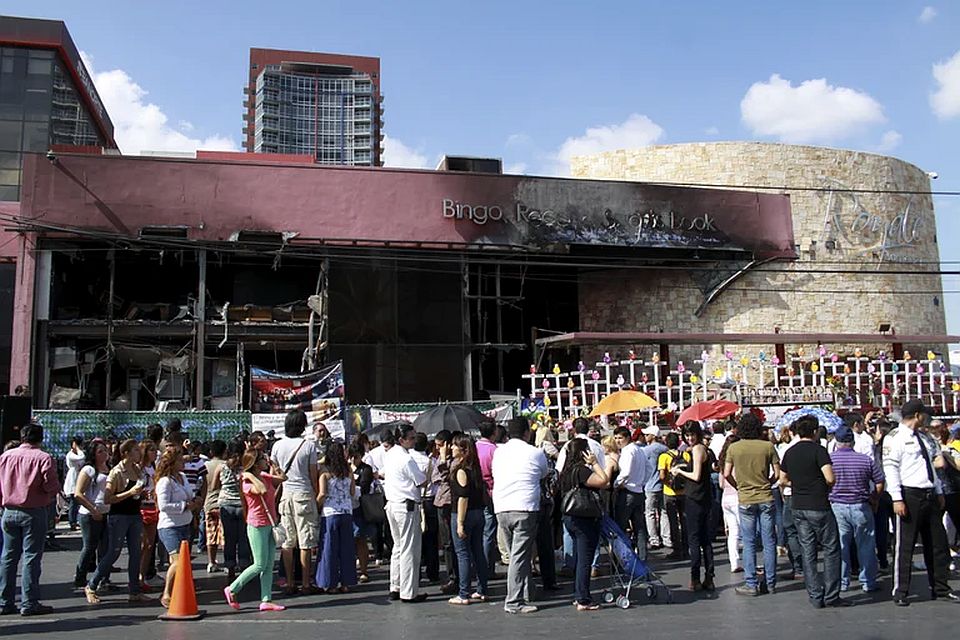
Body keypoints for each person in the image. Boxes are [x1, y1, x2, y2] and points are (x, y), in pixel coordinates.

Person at [883, 400, 957, 605]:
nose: (927, 417)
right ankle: (901, 591)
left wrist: (939, 490)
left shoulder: (924, 438)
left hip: (929, 493)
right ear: (917, 415)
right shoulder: (895, 438)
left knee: (938, 544)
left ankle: (941, 587)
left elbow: (933, 466)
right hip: (909, 493)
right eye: (924, 414)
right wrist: (897, 498)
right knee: (905, 546)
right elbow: (891, 468)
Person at [781, 416, 849, 609]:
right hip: (819, 504)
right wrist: (817, 483)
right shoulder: (819, 451)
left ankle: (815, 595)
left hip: (798, 505)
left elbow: (782, 479)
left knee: (807, 550)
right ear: (814, 432)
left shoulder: (790, 452)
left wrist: (799, 484)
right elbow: (830, 478)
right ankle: (831, 594)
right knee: (830, 548)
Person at [0, 424, 60, 616]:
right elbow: (52, 486)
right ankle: (29, 602)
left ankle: (4, 601)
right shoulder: (43, 458)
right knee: (31, 557)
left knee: (8, 557)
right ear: (40, 438)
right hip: (33, 510)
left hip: (9, 510)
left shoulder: (5, 457)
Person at [491, 417, 549, 614]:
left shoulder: (499, 452)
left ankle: (526, 591)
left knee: (515, 556)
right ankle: (514, 601)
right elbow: (544, 473)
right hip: (524, 507)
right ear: (527, 433)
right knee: (519, 557)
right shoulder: (535, 452)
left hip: (501, 506)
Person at [84, 439, 150, 604]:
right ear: (125, 453)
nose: (138, 453)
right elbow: (108, 498)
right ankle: (92, 585)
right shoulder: (116, 472)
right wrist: (129, 493)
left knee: (136, 552)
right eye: (135, 450)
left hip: (134, 514)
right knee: (113, 552)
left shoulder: (137, 470)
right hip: (119, 516)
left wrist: (140, 495)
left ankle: (134, 590)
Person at [223, 450, 286, 612]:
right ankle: (232, 588)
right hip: (256, 525)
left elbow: (283, 478)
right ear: (255, 463)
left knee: (269, 564)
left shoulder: (265, 476)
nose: (266, 461)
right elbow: (261, 491)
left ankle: (266, 599)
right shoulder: (247, 482)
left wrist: (274, 465)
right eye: (263, 459)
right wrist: (249, 475)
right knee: (259, 564)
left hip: (270, 523)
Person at [724, 413, 779, 597]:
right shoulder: (767, 446)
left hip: (746, 498)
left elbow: (726, 474)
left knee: (748, 542)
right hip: (765, 497)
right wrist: (768, 482)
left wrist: (738, 486)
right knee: (769, 541)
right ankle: (770, 582)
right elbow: (778, 474)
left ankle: (751, 583)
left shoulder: (734, 448)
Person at [829, 425, 885, 594]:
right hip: (861, 504)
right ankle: (868, 581)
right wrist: (875, 498)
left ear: (836, 442)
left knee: (841, 545)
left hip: (837, 505)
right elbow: (880, 481)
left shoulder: (830, 460)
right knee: (866, 544)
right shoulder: (865, 460)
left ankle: (843, 581)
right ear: (852, 442)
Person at [270, 410, 320, 596]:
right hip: (304, 494)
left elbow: (275, 472)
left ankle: (289, 582)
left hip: (285, 495)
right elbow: (313, 474)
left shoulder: (277, 446)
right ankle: (306, 582)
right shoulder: (308, 446)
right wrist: (317, 495)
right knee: (306, 541)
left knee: (288, 541)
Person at [560, 438, 609, 612]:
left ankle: (578, 593)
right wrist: (595, 463)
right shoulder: (581, 471)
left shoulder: (566, 471)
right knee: (585, 559)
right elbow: (604, 480)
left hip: (570, 516)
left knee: (579, 557)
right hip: (584, 517)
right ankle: (583, 598)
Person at [383, 425, 428, 603]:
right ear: (402, 440)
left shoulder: (390, 454)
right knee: (409, 549)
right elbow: (421, 480)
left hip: (393, 504)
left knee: (398, 547)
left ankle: (395, 586)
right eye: (411, 438)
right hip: (405, 505)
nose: (414, 440)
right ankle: (409, 592)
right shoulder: (405, 459)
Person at [670, 422, 715, 592]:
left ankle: (695, 578)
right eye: (686, 435)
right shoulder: (705, 449)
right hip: (705, 498)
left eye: (691, 435)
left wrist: (679, 471)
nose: (689, 438)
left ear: (697, 434)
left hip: (694, 498)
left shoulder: (697, 450)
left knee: (694, 539)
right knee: (705, 540)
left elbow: (696, 476)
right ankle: (709, 577)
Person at [447, 435, 489, 605]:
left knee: (463, 554)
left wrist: (460, 523)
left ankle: (464, 593)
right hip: (478, 513)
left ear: (463, 450)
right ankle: (482, 589)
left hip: (464, 514)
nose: (451, 448)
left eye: (455, 446)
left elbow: (463, 497)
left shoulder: (461, 470)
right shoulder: (475, 469)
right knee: (478, 551)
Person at [155, 449, 200, 609]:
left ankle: (176, 589)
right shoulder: (165, 482)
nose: (184, 463)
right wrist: (184, 506)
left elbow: (189, 494)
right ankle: (166, 592)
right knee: (178, 560)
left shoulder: (183, 478)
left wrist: (194, 501)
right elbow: (163, 505)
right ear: (172, 463)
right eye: (181, 460)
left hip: (184, 524)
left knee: (180, 561)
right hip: (170, 526)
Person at [316, 441, 358, 593]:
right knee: (346, 549)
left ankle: (330, 583)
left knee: (329, 549)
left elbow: (322, 494)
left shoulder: (325, 472)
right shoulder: (348, 470)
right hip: (346, 512)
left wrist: (317, 505)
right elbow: (353, 492)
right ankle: (346, 582)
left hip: (330, 513)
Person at [73, 440, 111, 589]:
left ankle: (103, 578)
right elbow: (78, 493)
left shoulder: (109, 468)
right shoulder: (88, 470)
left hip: (107, 512)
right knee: (89, 547)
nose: (104, 454)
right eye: (100, 451)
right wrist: (93, 510)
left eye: (105, 450)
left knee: (106, 548)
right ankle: (80, 576)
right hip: (90, 515)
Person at [212, 440, 249, 581]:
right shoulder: (245, 468)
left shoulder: (222, 467)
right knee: (243, 537)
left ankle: (230, 567)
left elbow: (214, 486)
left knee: (229, 537)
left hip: (225, 504)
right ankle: (245, 565)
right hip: (242, 505)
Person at [612, 426, 651, 559]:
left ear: (627, 438)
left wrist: (616, 484)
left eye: (620, 438)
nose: (618, 441)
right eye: (616, 438)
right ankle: (642, 557)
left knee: (621, 527)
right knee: (639, 527)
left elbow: (626, 472)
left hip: (628, 492)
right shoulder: (638, 450)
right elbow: (649, 469)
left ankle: (624, 558)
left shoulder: (628, 451)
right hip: (638, 491)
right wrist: (642, 482)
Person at [431, 430, 458, 593]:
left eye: (440, 445)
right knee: (446, 541)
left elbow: (448, 477)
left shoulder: (454, 460)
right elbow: (435, 478)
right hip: (441, 500)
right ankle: (451, 575)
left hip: (450, 501)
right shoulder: (438, 460)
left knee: (453, 541)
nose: (438, 448)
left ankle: (456, 576)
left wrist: (443, 460)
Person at [411, 433, 440, 583]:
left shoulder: (409, 459)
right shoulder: (432, 461)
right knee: (432, 539)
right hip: (430, 501)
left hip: (415, 501)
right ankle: (433, 571)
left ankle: (415, 571)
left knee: (414, 539)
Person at [658, 432, 690, 559]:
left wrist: (668, 483)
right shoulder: (686, 455)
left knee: (673, 521)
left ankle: (676, 549)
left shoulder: (664, 457)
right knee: (684, 520)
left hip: (669, 492)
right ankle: (686, 548)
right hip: (684, 492)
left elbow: (661, 475)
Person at [475, 419, 499, 577]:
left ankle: (479, 567)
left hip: (476, 492)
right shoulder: (494, 450)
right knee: (489, 533)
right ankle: (487, 569)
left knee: (480, 533)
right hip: (491, 492)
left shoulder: (474, 447)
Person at [348, 440, 375, 583]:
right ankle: (350, 570)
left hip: (359, 508)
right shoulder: (345, 468)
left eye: (356, 456)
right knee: (348, 541)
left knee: (360, 539)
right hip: (347, 508)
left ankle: (364, 571)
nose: (353, 459)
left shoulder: (366, 469)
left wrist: (352, 487)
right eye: (351, 456)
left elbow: (364, 488)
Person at [640, 424, 668, 550]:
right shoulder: (664, 448)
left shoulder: (646, 450)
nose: (645, 437)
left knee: (650, 513)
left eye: (647, 435)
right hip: (664, 484)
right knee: (664, 512)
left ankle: (654, 539)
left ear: (653, 436)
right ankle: (666, 538)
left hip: (650, 485)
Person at [138, 440, 160, 591]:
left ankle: (143, 575)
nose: (154, 453)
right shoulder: (139, 468)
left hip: (153, 506)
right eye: (151, 450)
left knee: (150, 545)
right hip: (142, 507)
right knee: (142, 544)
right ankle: (138, 575)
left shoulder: (154, 467)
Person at [718, 435, 742, 572]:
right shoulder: (737, 461)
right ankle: (750, 562)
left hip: (725, 498)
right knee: (745, 532)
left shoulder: (723, 461)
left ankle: (734, 562)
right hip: (737, 497)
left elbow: (721, 484)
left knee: (733, 533)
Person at [203, 440, 227, 574]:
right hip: (223, 502)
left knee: (210, 534)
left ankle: (211, 562)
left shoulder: (205, 466)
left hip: (209, 502)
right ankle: (226, 562)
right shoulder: (226, 466)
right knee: (224, 535)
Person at [64, 436, 85, 531]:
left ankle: (77, 520)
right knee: (74, 501)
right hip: (73, 478)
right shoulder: (70, 454)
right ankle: (72, 522)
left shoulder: (78, 453)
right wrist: (77, 448)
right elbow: (82, 457)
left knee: (78, 502)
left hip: (79, 477)